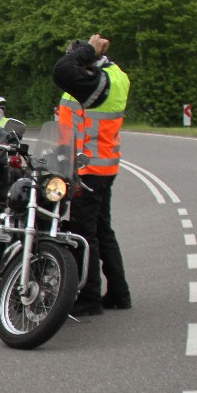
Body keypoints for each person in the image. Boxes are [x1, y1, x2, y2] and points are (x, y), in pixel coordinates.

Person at [54, 34, 132, 314]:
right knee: (102, 230)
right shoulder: (115, 75)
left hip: (88, 169)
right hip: (103, 165)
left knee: (83, 234)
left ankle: (89, 299)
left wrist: (87, 49)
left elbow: (62, 71)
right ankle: (119, 293)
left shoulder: (95, 82)